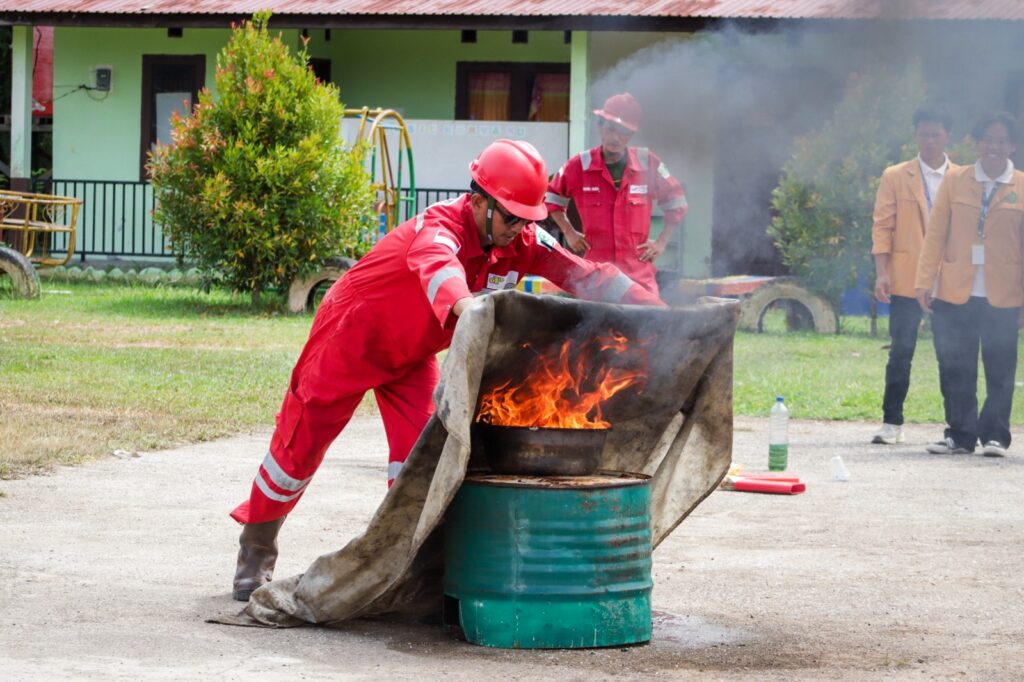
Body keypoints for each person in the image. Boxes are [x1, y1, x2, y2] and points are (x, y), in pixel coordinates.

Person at [229, 139, 664, 600]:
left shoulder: (522, 240)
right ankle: (256, 550)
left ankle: (406, 563)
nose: (521, 229)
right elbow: (439, 269)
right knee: (296, 451)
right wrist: (467, 306)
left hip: (411, 355)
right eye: (512, 216)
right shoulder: (439, 227)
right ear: (479, 202)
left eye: (528, 219)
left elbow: (585, 273)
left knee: (422, 457)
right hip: (350, 338)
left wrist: (659, 310)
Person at [915, 111, 1024, 457]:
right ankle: (960, 434)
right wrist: (923, 281)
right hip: (954, 290)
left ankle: (995, 436)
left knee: (1000, 368)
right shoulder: (956, 180)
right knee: (955, 365)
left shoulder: (1021, 185)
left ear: (1013, 146)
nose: (994, 146)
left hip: (1003, 295)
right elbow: (935, 235)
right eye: (988, 139)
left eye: (1002, 140)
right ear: (977, 143)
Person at [870, 107, 957, 445]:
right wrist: (881, 272)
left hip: (950, 279)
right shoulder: (895, 175)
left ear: (947, 135)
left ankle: (957, 426)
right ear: (915, 136)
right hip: (906, 276)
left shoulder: (962, 177)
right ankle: (891, 422)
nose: (930, 140)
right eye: (924, 134)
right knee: (901, 350)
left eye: (936, 134)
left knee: (950, 354)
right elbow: (882, 225)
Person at [545, 92, 688, 297]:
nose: (615, 137)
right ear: (600, 126)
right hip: (597, 274)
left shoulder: (647, 162)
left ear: (631, 134)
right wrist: (569, 232)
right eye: (611, 128)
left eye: (623, 131)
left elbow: (677, 202)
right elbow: (551, 198)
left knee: (651, 324)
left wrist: (661, 242)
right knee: (595, 327)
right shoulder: (580, 165)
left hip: (638, 274)